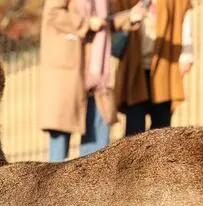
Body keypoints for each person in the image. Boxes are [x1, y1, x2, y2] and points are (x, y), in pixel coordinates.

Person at [40, 0, 144, 162]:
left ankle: (90, 186)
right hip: (68, 73)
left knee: (96, 152)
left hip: (98, 78)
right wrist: (86, 23)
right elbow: (53, 14)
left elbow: (103, 23)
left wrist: (128, 17)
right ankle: (52, 188)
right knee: (58, 153)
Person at [112, 0, 193, 135]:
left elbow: (185, 19)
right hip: (135, 69)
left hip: (164, 68)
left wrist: (187, 55)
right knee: (134, 130)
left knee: (161, 128)